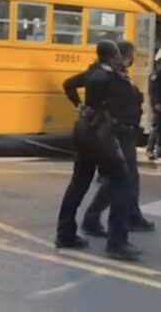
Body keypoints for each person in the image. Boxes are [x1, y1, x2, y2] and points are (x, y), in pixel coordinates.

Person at [55, 40, 141, 261]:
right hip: (101, 135)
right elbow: (131, 97)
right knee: (122, 183)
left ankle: (65, 233)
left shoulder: (92, 72)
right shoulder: (112, 79)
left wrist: (79, 105)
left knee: (79, 181)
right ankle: (117, 243)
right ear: (113, 57)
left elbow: (69, 85)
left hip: (83, 129)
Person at [82, 41, 156, 236]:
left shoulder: (118, 75)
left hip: (125, 132)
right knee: (122, 179)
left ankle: (120, 218)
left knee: (124, 179)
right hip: (119, 133)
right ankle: (114, 226)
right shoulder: (109, 77)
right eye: (131, 55)